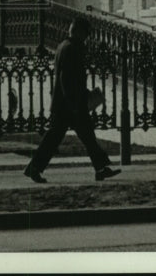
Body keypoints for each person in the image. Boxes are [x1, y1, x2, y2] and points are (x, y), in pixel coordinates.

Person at [24, 18, 120, 183]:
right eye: (85, 33)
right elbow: (66, 79)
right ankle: (35, 168)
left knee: (81, 136)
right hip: (70, 105)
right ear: (78, 31)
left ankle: (100, 168)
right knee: (64, 138)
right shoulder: (71, 49)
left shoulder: (64, 46)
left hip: (67, 103)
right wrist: (74, 103)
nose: (86, 37)